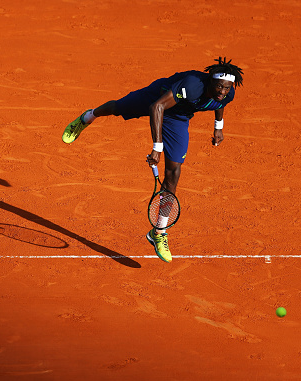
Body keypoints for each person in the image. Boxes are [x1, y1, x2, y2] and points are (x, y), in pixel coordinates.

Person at [61, 57, 244, 262]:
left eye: (226, 88)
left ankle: (159, 232)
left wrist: (218, 127)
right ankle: (88, 117)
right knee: (118, 108)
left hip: (179, 118)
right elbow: (156, 108)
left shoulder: (228, 93)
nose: (222, 91)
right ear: (210, 81)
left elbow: (219, 102)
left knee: (173, 174)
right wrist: (157, 147)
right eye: (219, 86)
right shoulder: (193, 86)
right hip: (155, 99)